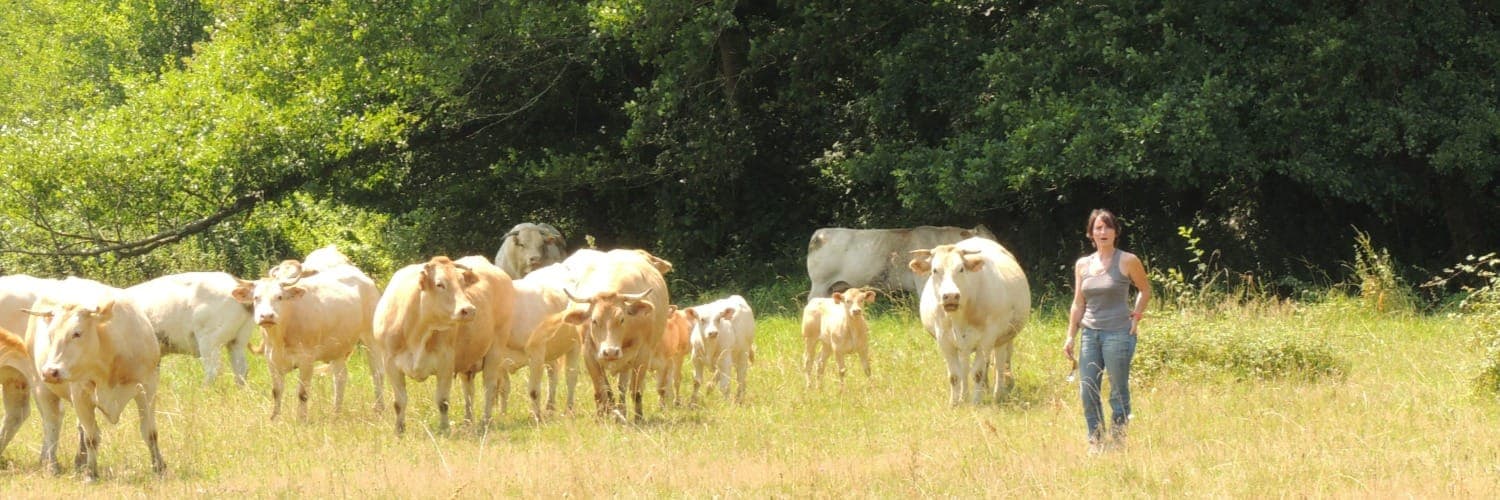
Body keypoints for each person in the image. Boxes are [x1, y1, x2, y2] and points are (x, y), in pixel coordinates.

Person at [1063, 208, 1152, 454]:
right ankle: (1096, 440)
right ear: (1091, 233)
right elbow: (1078, 303)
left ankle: (1118, 439)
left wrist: (1136, 316)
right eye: (1098, 228)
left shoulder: (1127, 260)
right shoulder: (1082, 264)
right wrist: (1070, 336)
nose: (1103, 232)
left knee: (1117, 390)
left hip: (1118, 334)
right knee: (1087, 389)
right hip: (1089, 334)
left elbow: (1145, 290)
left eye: (1108, 227)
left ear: (1115, 232)